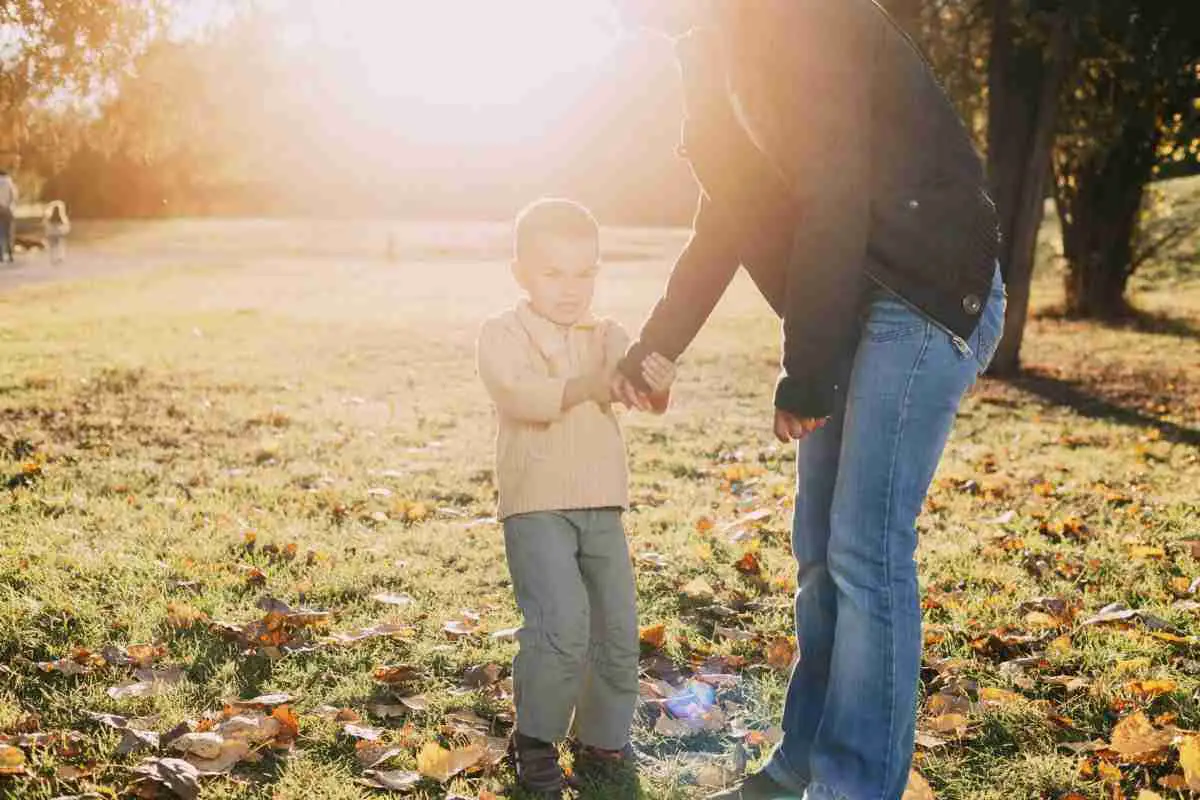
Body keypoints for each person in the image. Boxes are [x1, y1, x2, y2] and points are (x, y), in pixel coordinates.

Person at [609, 2, 1006, 799]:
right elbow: (728, 207)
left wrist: (809, 371)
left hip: (928, 293)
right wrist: (661, 344)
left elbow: (835, 188)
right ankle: (802, 767)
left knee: (866, 548)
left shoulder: (806, 18)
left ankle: (854, 786)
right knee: (820, 553)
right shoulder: (709, 43)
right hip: (857, 298)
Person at [476, 198, 677, 798]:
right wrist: (589, 385)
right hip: (536, 503)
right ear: (521, 273)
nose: (571, 288)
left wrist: (657, 387)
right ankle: (535, 740)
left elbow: (639, 393)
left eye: (584, 273)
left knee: (616, 624)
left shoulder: (607, 334)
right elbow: (517, 394)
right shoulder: (501, 334)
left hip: (602, 503)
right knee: (561, 623)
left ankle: (603, 736)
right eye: (553, 272)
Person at [0, 169, 17, 263]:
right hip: (8, 209)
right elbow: (14, 196)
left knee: (0, 233)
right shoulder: (9, 182)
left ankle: (0, 255)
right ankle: (10, 254)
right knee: (9, 233)